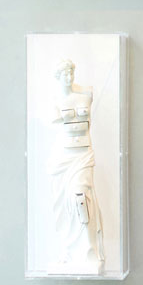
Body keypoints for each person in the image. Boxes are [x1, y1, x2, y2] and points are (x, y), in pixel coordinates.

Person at [49, 59, 105, 271]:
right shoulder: (55, 101)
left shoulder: (86, 94)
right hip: (64, 157)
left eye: (71, 72)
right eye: (65, 74)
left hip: (83, 154)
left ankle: (90, 250)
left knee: (81, 197)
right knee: (66, 205)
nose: (69, 77)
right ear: (58, 77)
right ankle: (70, 251)